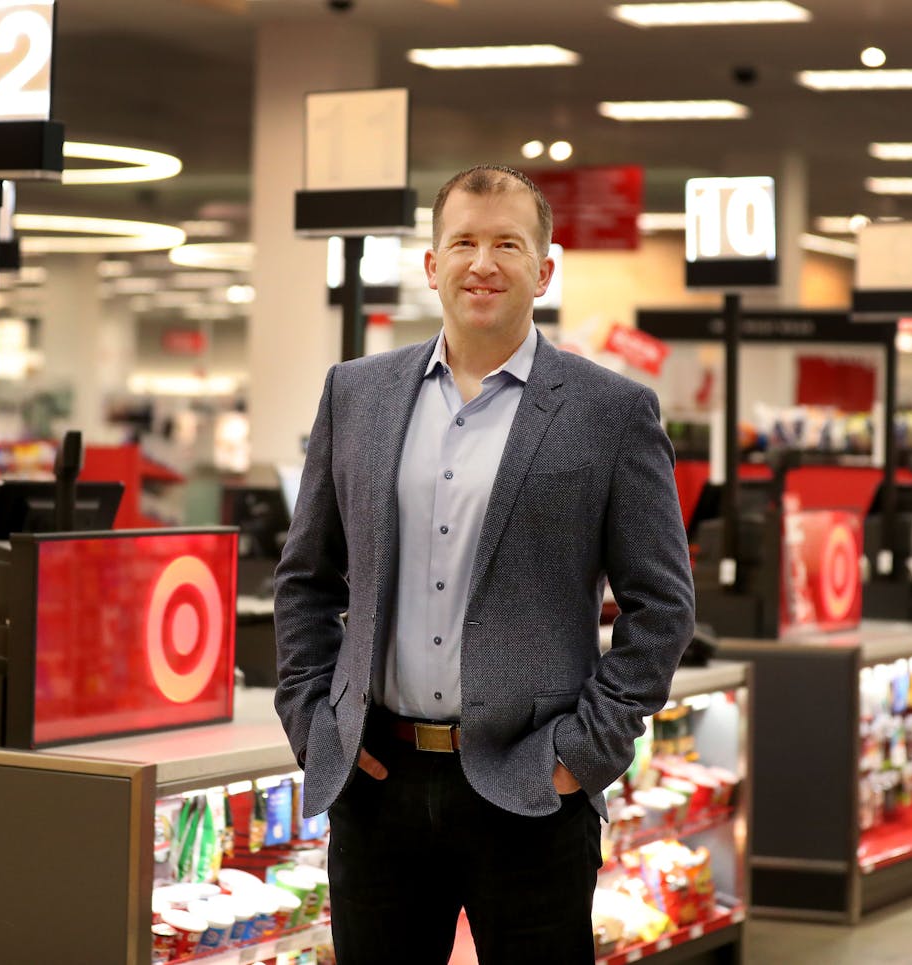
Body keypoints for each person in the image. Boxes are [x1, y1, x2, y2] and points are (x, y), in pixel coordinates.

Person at [273, 164, 695, 964]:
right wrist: (315, 724)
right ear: (431, 265)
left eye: (508, 242)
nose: (483, 263)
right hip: (377, 785)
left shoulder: (611, 412)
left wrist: (583, 755)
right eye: (463, 241)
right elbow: (305, 578)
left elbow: (663, 606)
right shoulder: (356, 394)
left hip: (531, 790)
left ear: (544, 267)